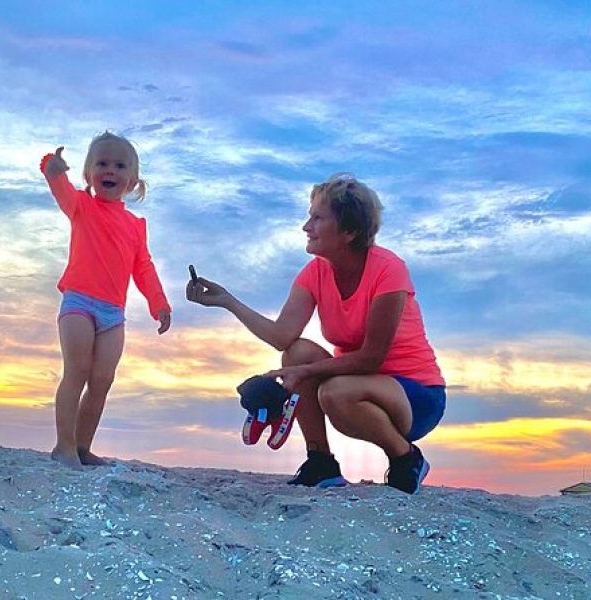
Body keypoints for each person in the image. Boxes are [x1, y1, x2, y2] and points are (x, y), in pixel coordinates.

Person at [186, 174, 445, 494]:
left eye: (318, 218)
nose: (306, 227)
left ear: (348, 231)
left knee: (333, 391)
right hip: (355, 384)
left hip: (416, 396)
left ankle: (406, 458)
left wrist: (303, 373)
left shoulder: (388, 269)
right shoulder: (315, 271)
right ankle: (320, 461)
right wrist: (228, 302)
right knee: (297, 351)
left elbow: (370, 358)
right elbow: (282, 336)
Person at [41, 132, 171, 470]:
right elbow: (61, 189)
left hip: (113, 313)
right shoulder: (81, 206)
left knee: (102, 380)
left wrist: (159, 303)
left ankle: (83, 447)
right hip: (78, 304)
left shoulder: (135, 225)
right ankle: (64, 447)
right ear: (88, 175)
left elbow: (143, 267)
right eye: (101, 164)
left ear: (132, 180)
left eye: (119, 165)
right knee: (77, 372)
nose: (109, 170)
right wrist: (52, 168)